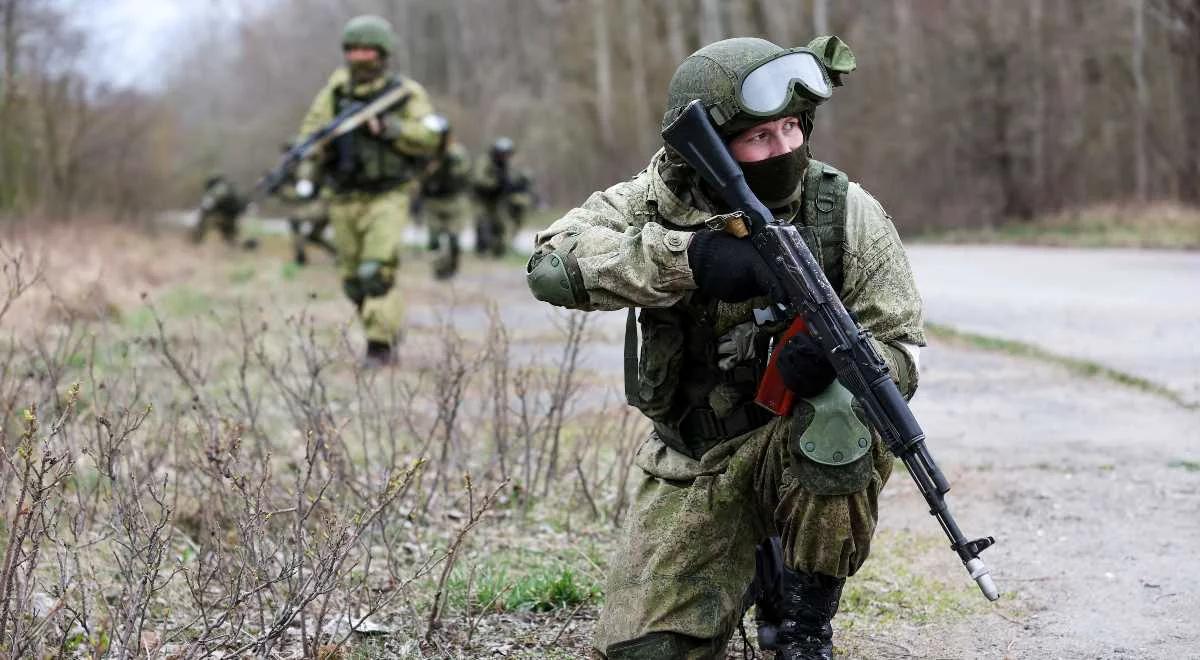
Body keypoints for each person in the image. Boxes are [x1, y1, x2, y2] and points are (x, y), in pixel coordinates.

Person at [525, 37, 925, 659]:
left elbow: (900, 353)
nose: (785, 148)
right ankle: (756, 565)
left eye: (793, 128)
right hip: (693, 461)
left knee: (845, 413)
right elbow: (551, 266)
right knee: (648, 652)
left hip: (789, 445)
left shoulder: (844, 210)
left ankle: (804, 623)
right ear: (708, 147)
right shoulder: (650, 201)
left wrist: (838, 365)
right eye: (760, 137)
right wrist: (692, 258)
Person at [294, 14, 442, 366]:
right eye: (354, 50)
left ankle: (379, 346)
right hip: (342, 197)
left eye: (367, 51)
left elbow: (429, 136)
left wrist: (390, 129)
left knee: (375, 271)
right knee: (352, 281)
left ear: (383, 53)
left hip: (387, 195)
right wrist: (313, 154)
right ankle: (386, 326)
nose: (360, 58)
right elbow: (308, 136)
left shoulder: (405, 93)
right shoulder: (334, 93)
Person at [414, 115, 472, 279]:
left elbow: (464, 175)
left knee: (453, 239)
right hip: (433, 202)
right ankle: (439, 271)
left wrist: (449, 163)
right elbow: (418, 177)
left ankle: (452, 268)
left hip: (453, 201)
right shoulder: (425, 154)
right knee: (434, 240)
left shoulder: (456, 153)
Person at [471, 136, 534, 257]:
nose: (505, 157)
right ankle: (481, 250)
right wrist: (495, 183)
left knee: (500, 224)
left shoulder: (505, 165)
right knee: (482, 223)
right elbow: (479, 180)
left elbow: (510, 180)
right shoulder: (485, 162)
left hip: (496, 200)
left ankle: (498, 250)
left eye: (507, 154)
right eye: (503, 154)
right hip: (482, 199)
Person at [275, 141, 334, 266]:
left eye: (288, 153)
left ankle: (300, 257)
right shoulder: (296, 167)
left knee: (295, 220)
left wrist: (281, 190)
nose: (285, 157)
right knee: (314, 236)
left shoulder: (306, 166)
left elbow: (304, 193)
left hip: (326, 204)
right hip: (323, 203)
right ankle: (339, 254)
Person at [193, 173, 247, 246]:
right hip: (233, 216)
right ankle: (241, 247)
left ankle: (195, 241)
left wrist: (204, 214)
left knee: (203, 224)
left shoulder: (218, 189)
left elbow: (207, 205)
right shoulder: (228, 188)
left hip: (222, 215)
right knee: (230, 237)